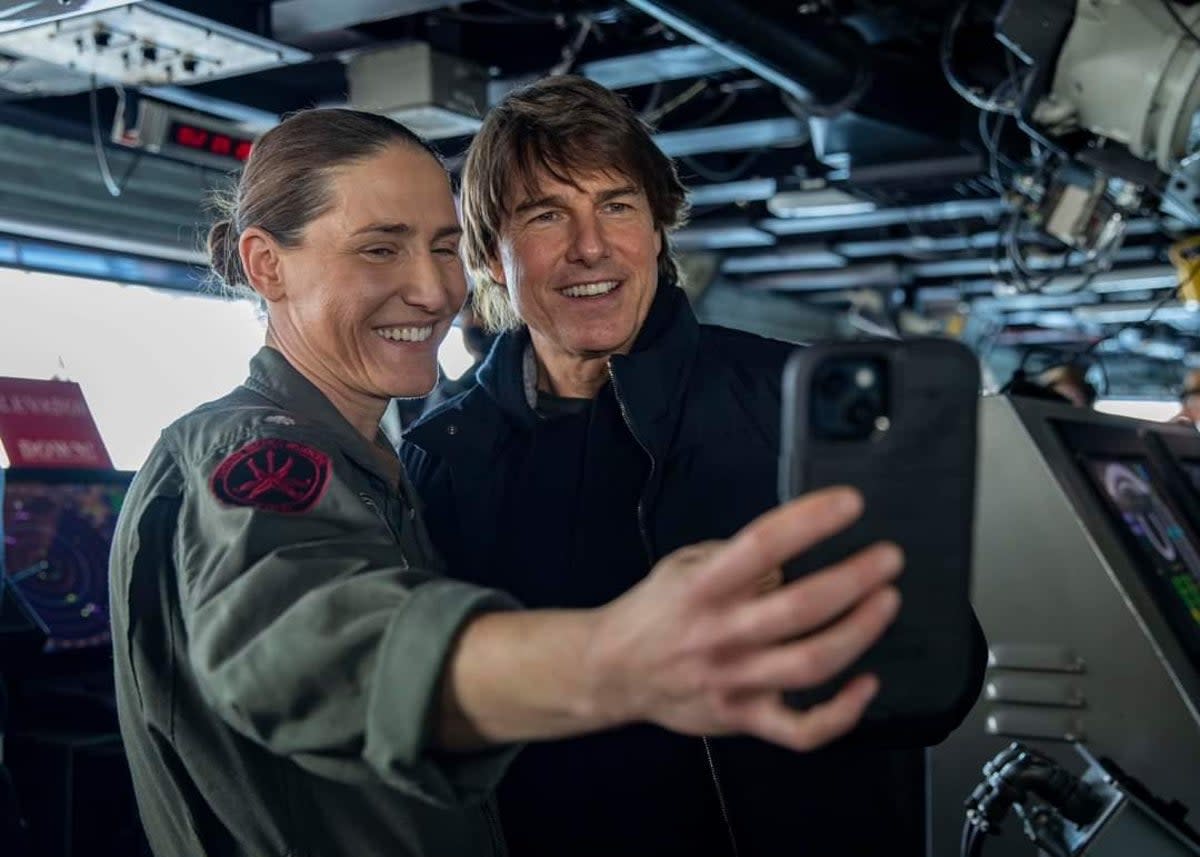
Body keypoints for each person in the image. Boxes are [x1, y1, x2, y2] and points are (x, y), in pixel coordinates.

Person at [109, 107, 907, 857]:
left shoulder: (383, 467)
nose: (431, 288)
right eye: (380, 248)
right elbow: (303, 643)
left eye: (440, 245)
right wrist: (611, 658)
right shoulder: (262, 451)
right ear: (265, 265)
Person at [401, 76, 986, 857]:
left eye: (617, 205)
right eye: (546, 214)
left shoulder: (789, 400)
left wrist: (830, 619)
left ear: (656, 228)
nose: (590, 246)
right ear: (490, 256)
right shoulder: (440, 453)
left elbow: (942, 683)